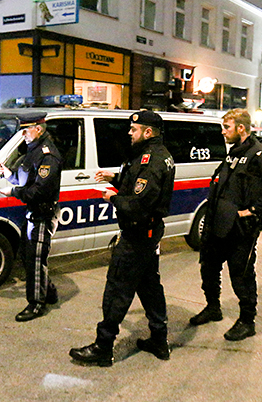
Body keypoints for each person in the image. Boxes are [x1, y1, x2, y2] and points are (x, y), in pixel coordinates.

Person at [69, 110, 175, 366]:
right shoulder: (152, 155)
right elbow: (136, 183)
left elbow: (138, 204)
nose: (129, 132)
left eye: (133, 129)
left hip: (137, 235)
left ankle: (103, 347)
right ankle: (159, 340)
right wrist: (115, 178)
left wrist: (111, 197)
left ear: (148, 132)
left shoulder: (152, 161)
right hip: (147, 234)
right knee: (149, 287)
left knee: (117, 288)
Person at [189, 108, 262, 341]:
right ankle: (213, 308)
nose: (223, 132)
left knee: (241, 275)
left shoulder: (260, 154)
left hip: (240, 229)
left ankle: (247, 321)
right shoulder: (234, 152)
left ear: (241, 128)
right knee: (209, 268)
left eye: (227, 127)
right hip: (217, 224)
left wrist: (253, 210)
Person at [0, 117, 62, 322]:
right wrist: (8, 174)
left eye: (27, 131)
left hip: (43, 213)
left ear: (38, 130)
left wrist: (14, 192)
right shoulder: (32, 151)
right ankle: (48, 291)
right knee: (27, 254)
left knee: (35, 257)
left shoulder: (47, 155)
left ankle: (36, 304)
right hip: (33, 213)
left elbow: (40, 190)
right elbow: (25, 179)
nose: (23, 135)